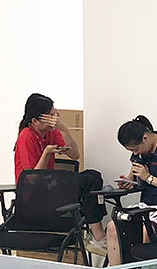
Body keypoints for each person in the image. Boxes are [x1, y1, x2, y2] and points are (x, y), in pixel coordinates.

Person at [12, 93, 106, 256]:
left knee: (93, 176)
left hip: (50, 190)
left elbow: (75, 155)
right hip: (34, 198)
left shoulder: (52, 133)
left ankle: (96, 235)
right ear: (35, 121)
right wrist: (46, 153)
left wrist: (63, 129)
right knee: (88, 181)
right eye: (50, 115)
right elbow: (32, 178)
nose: (55, 117)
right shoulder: (26, 136)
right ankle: (98, 236)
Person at [106, 116, 157, 265]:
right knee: (113, 227)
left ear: (145, 138)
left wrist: (149, 178)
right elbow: (135, 175)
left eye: (135, 149)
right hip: (145, 204)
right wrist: (129, 181)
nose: (135, 153)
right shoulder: (141, 152)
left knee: (144, 231)